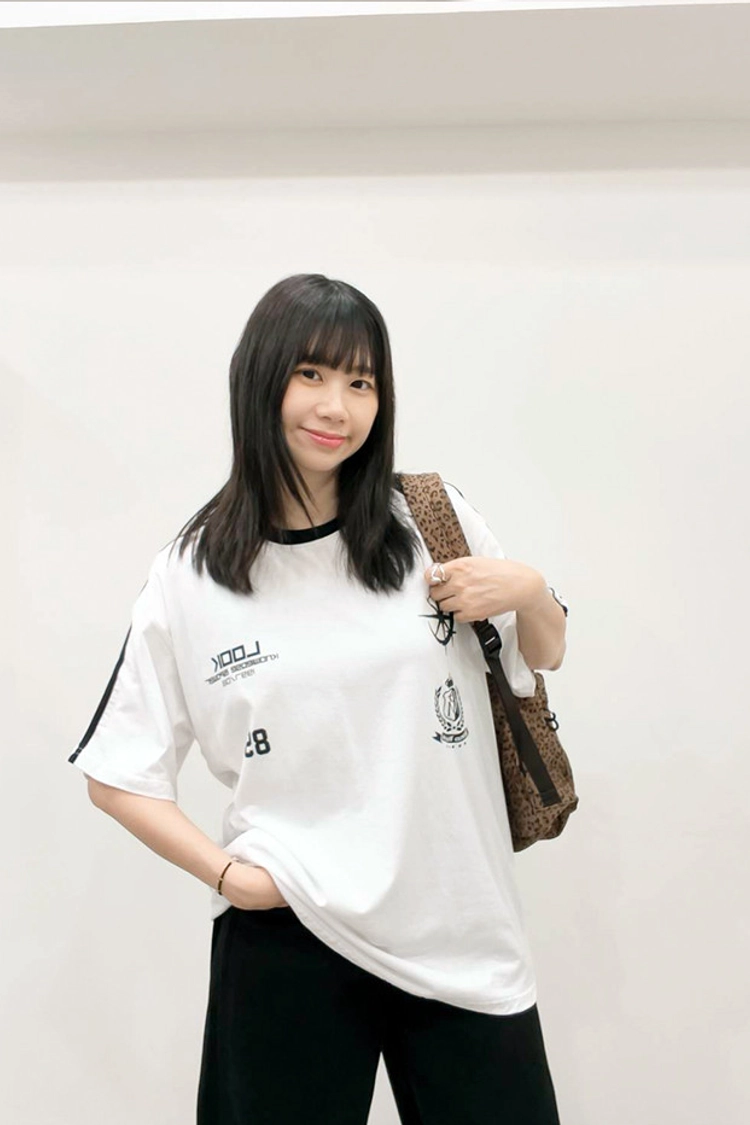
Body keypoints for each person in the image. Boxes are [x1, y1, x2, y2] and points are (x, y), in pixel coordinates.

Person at [68, 273, 569, 1124]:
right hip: (291, 935)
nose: (336, 405)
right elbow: (117, 772)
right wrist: (228, 874)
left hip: (460, 927)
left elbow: (544, 651)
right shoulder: (192, 572)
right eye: (311, 373)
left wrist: (529, 587)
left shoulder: (428, 519)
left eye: (361, 381)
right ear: (260, 379)